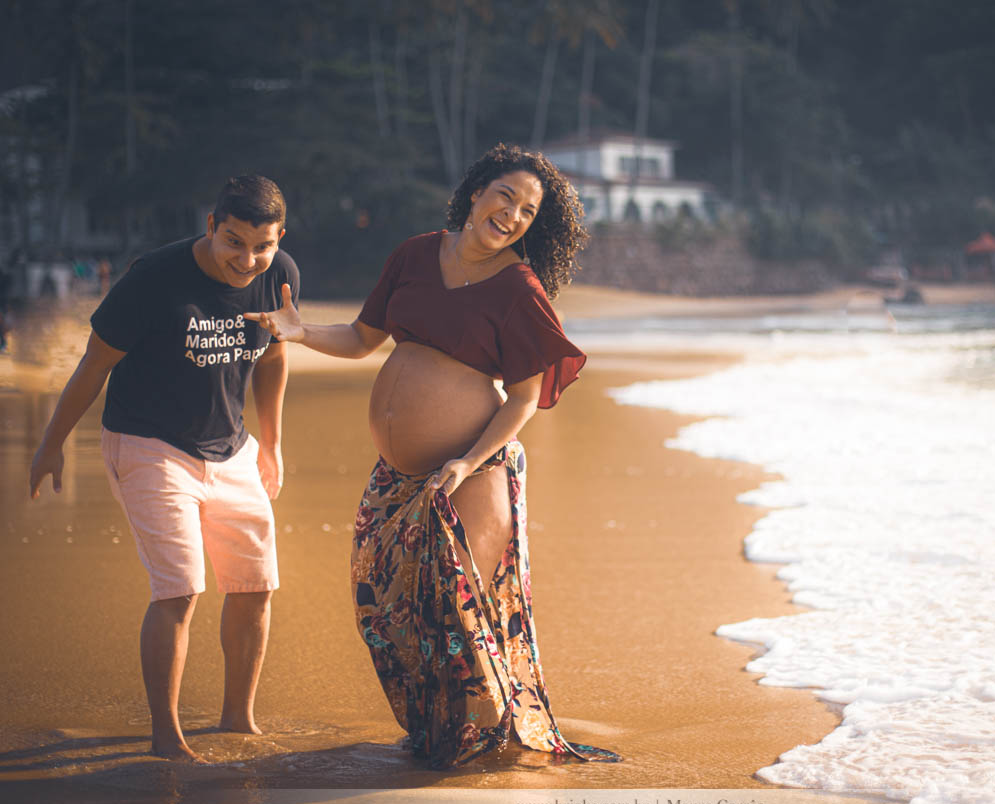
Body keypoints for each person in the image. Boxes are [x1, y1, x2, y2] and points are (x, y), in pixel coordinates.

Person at [246, 143, 618, 769]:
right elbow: (364, 338)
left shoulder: (517, 289)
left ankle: (476, 742)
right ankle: (437, 729)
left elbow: (525, 397)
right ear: (477, 191)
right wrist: (302, 332)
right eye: (506, 197)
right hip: (398, 476)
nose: (513, 215)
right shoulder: (416, 254)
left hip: (469, 472)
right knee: (386, 608)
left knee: (457, 616)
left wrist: (468, 462)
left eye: (528, 212)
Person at [28, 175, 299, 763]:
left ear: (280, 238)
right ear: (210, 225)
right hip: (147, 443)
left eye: (262, 245)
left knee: (255, 587)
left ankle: (237, 719)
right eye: (234, 241)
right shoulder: (153, 277)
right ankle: (166, 737)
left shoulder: (279, 277)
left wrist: (272, 445)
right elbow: (95, 363)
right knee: (179, 589)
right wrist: (51, 443)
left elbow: (275, 356)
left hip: (232, 449)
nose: (247, 260)